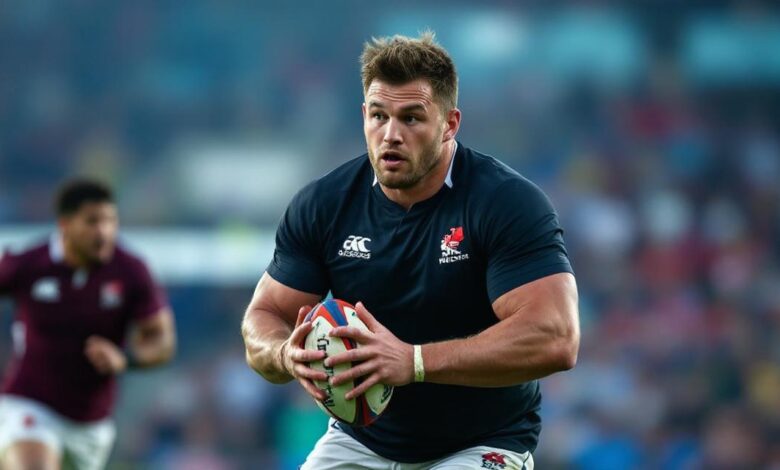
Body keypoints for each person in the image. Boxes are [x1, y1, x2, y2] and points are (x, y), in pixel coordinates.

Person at [242, 32, 579, 470]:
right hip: (360, 442)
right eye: (379, 116)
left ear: (450, 124)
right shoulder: (324, 205)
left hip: (480, 444)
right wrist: (285, 354)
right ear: (363, 115)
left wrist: (415, 361)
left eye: (412, 118)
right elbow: (264, 315)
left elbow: (556, 337)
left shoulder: (506, 203)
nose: (391, 135)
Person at [0, 179, 176, 470]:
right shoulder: (29, 264)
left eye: (110, 221)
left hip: (92, 425)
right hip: (30, 405)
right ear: (65, 225)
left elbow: (162, 340)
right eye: (92, 221)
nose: (103, 231)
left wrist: (125, 359)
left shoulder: (130, 271)